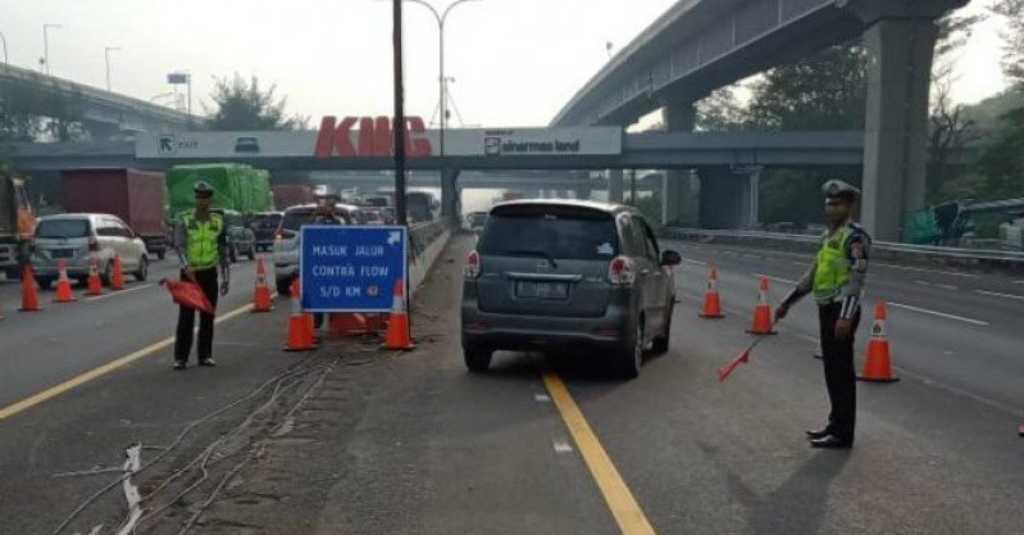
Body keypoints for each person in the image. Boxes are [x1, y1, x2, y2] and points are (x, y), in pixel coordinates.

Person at [776, 179, 870, 449]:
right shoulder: (829, 237)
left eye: (837, 204)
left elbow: (856, 279)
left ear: (849, 206)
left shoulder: (855, 237)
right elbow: (814, 274)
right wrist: (788, 302)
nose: (831, 209)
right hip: (826, 307)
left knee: (841, 372)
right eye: (829, 204)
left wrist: (846, 316)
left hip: (842, 309)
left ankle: (843, 433)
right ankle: (834, 424)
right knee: (831, 371)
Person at [171, 181, 231, 370]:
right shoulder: (185, 220)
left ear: (210, 200)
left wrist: (226, 277)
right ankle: (180, 358)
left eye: (206, 198)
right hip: (190, 274)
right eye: (199, 198)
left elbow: (223, 250)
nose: (202, 201)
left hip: (209, 273)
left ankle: (205, 355)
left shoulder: (218, 221)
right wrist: (186, 265)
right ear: (195, 199)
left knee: (208, 315)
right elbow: (179, 245)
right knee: (186, 317)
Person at [307, 193, 344, 330]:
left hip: (335, 263)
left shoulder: (338, 222)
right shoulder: (317, 222)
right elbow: (308, 232)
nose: (329, 209)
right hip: (320, 263)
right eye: (327, 206)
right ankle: (318, 321)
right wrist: (316, 213)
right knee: (319, 291)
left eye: (331, 207)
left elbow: (345, 238)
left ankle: (335, 319)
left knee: (335, 292)